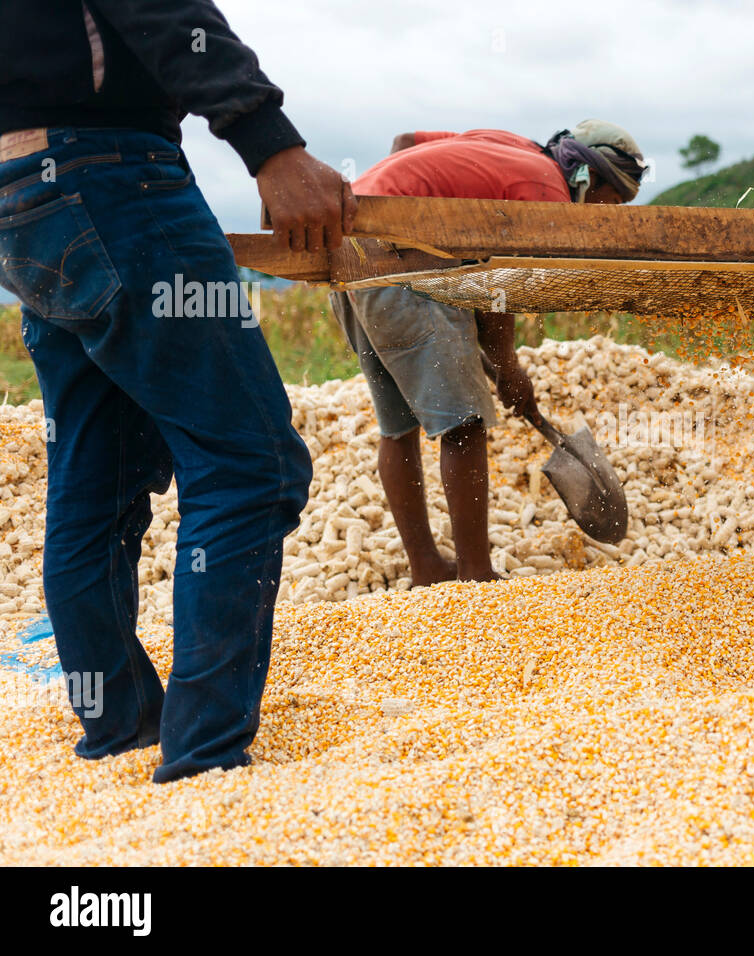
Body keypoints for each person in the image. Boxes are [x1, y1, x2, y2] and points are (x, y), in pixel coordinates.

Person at [0, 0, 356, 782]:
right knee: (251, 465)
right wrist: (270, 145)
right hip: (116, 179)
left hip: (24, 194)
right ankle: (204, 758)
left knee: (96, 482)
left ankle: (119, 725)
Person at [331, 122, 647, 584]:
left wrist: (404, 206)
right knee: (464, 423)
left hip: (349, 249)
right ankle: (476, 576)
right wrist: (506, 364)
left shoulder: (509, 145)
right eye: (614, 205)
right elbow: (500, 286)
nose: (610, 219)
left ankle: (427, 569)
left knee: (398, 428)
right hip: (411, 261)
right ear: (590, 178)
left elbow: (403, 144)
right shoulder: (547, 196)